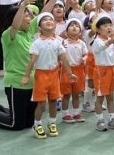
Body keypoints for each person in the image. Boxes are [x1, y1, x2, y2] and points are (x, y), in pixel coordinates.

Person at [0, 0, 66, 131]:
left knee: (28, 122)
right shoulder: (9, 35)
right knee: (16, 124)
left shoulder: (29, 32)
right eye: (26, 16)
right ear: (17, 18)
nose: (30, 18)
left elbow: (43, 13)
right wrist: (23, 5)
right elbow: (14, 25)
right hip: (16, 83)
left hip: (32, 83)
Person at [22, 11, 76, 139]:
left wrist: (70, 73)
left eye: (51, 20)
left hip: (54, 75)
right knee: (41, 103)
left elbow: (64, 58)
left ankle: (52, 123)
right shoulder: (36, 43)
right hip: (41, 75)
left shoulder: (57, 42)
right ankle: (37, 125)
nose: (49, 21)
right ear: (40, 27)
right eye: (45, 20)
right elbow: (32, 61)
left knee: (53, 100)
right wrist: (26, 75)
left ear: (55, 26)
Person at [60, 18, 87, 124]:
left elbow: (86, 55)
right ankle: (65, 114)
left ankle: (76, 113)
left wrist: (84, 60)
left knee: (76, 93)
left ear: (80, 32)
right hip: (66, 70)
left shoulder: (82, 43)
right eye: (71, 25)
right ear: (66, 32)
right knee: (66, 94)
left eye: (77, 26)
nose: (74, 27)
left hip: (79, 70)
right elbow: (59, 55)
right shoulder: (63, 42)